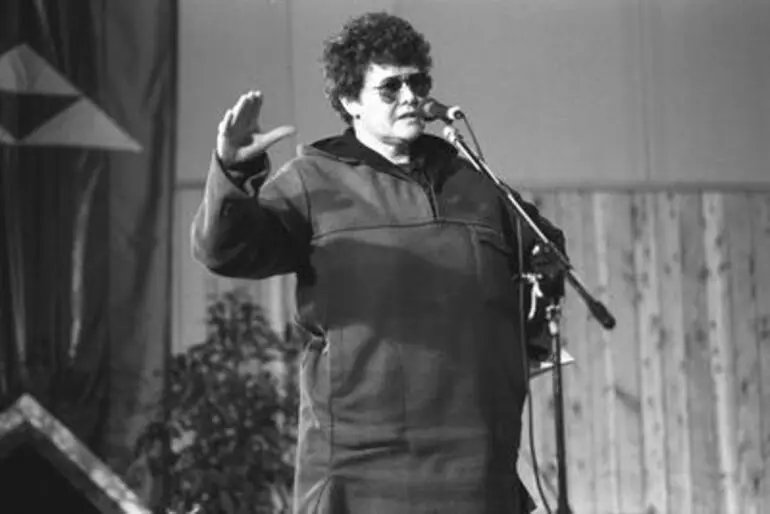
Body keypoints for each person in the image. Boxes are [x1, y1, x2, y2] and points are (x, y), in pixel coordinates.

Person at [192, 11, 565, 514]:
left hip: (476, 462)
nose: (410, 96)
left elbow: (547, 254)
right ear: (351, 103)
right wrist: (234, 171)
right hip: (361, 465)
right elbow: (225, 249)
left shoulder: (472, 179)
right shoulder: (312, 180)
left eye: (418, 82)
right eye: (390, 88)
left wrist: (524, 340)